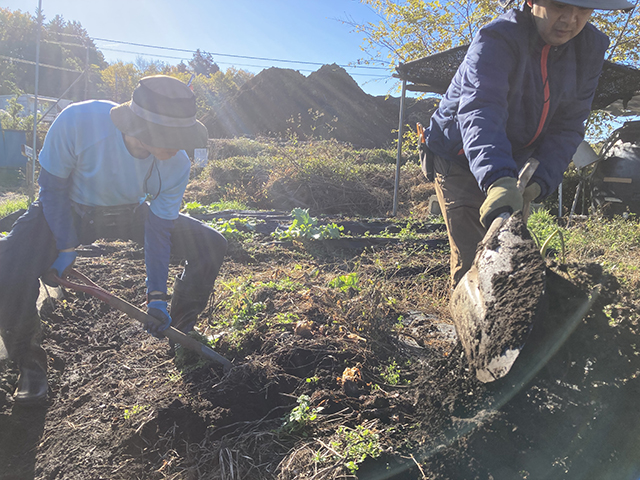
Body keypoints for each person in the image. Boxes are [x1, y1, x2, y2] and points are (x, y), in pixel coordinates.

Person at [0, 75, 228, 404]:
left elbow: (159, 229)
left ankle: (181, 329)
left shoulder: (175, 163)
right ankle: (31, 366)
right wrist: (64, 245)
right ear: (139, 125)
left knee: (211, 244)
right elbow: (51, 190)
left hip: (129, 211)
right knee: (7, 267)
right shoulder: (79, 122)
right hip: (70, 208)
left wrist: (157, 296)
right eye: (171, 136)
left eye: (184, 137)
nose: (179, 146)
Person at [424, 0, 633, 288]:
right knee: (475, 252)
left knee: (510, 248)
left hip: (517, 157)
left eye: (583, 10)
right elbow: (481, 109)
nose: (570, 20)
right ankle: (471, 323)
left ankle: (515, 323)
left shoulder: (589, 49)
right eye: (560, 5)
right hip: (458, 152)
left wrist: (541, 178)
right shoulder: (497, 38)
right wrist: (498, 179)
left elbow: (568, 124)